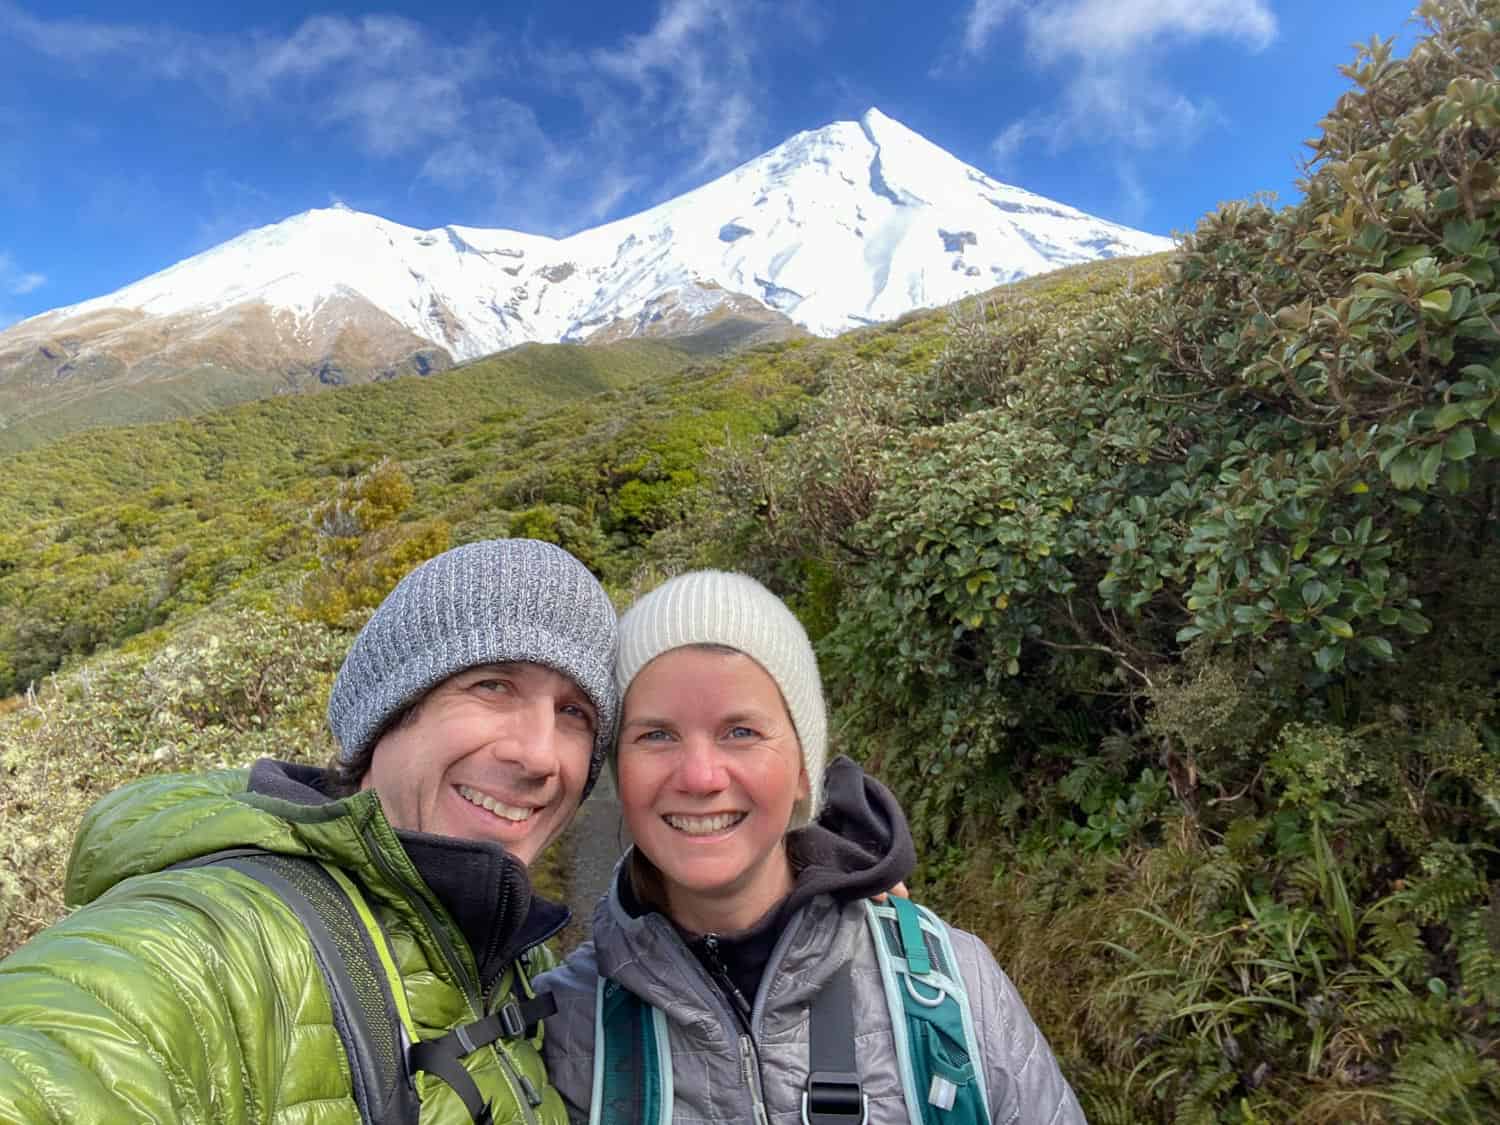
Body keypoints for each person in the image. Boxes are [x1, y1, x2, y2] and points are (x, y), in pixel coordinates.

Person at [0, 539, 618, 1123]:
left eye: (573, 713)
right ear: (385, 713)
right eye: (492, 686)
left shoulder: (508, 946)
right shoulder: (214, 944)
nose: (540, 756)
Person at [538, 570, 1086, 1123]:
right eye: (656, 734)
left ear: (804, 768)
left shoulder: (956, 991)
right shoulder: (560, 1028)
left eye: (741, 732)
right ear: (617, 773)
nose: (701, 777)